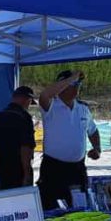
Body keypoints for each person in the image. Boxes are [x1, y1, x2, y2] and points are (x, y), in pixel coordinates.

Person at [37, 70, 101, 211]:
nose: (76, 87)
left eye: (78, 84)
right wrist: (71, 78)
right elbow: (44, 95)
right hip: (54, 168)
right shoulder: (50, 106)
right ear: (61, 85)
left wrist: (97, 148)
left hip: (77, 169)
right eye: (72, 84)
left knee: (79, 207)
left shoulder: (83, 109)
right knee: (50, 207)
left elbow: (93, 130)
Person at [0, 85, 37, 189]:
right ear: (26, 99)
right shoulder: (24, 117)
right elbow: (26, 147)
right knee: (23, 197)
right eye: (30, 102)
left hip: (2, 167)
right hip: (19, 169)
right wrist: (27, 173)